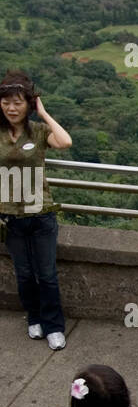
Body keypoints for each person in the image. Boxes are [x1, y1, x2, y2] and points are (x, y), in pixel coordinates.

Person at [0, 70, 73, 350]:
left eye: (18, 102)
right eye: (6, 102)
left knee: (47, 273)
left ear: (28, 104)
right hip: (10, 217)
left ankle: (54, 326)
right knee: (24, 273)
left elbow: (65, 142)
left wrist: (43, 112)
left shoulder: (40, 132)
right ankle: (34, 318)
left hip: (41, 213)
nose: (11, 108)